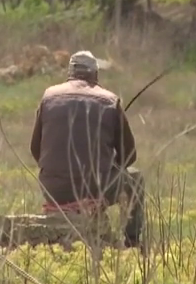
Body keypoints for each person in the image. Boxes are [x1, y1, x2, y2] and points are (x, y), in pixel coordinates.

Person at [29, 50, 145, 248]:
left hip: (53, 190)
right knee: (136, 179)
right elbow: (130, 155)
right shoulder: (109, 100)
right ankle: (132, 242)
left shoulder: (48, 97)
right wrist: (110, 166)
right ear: (96, 74)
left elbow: (35, 150)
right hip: (96, 187)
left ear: (70, 72)